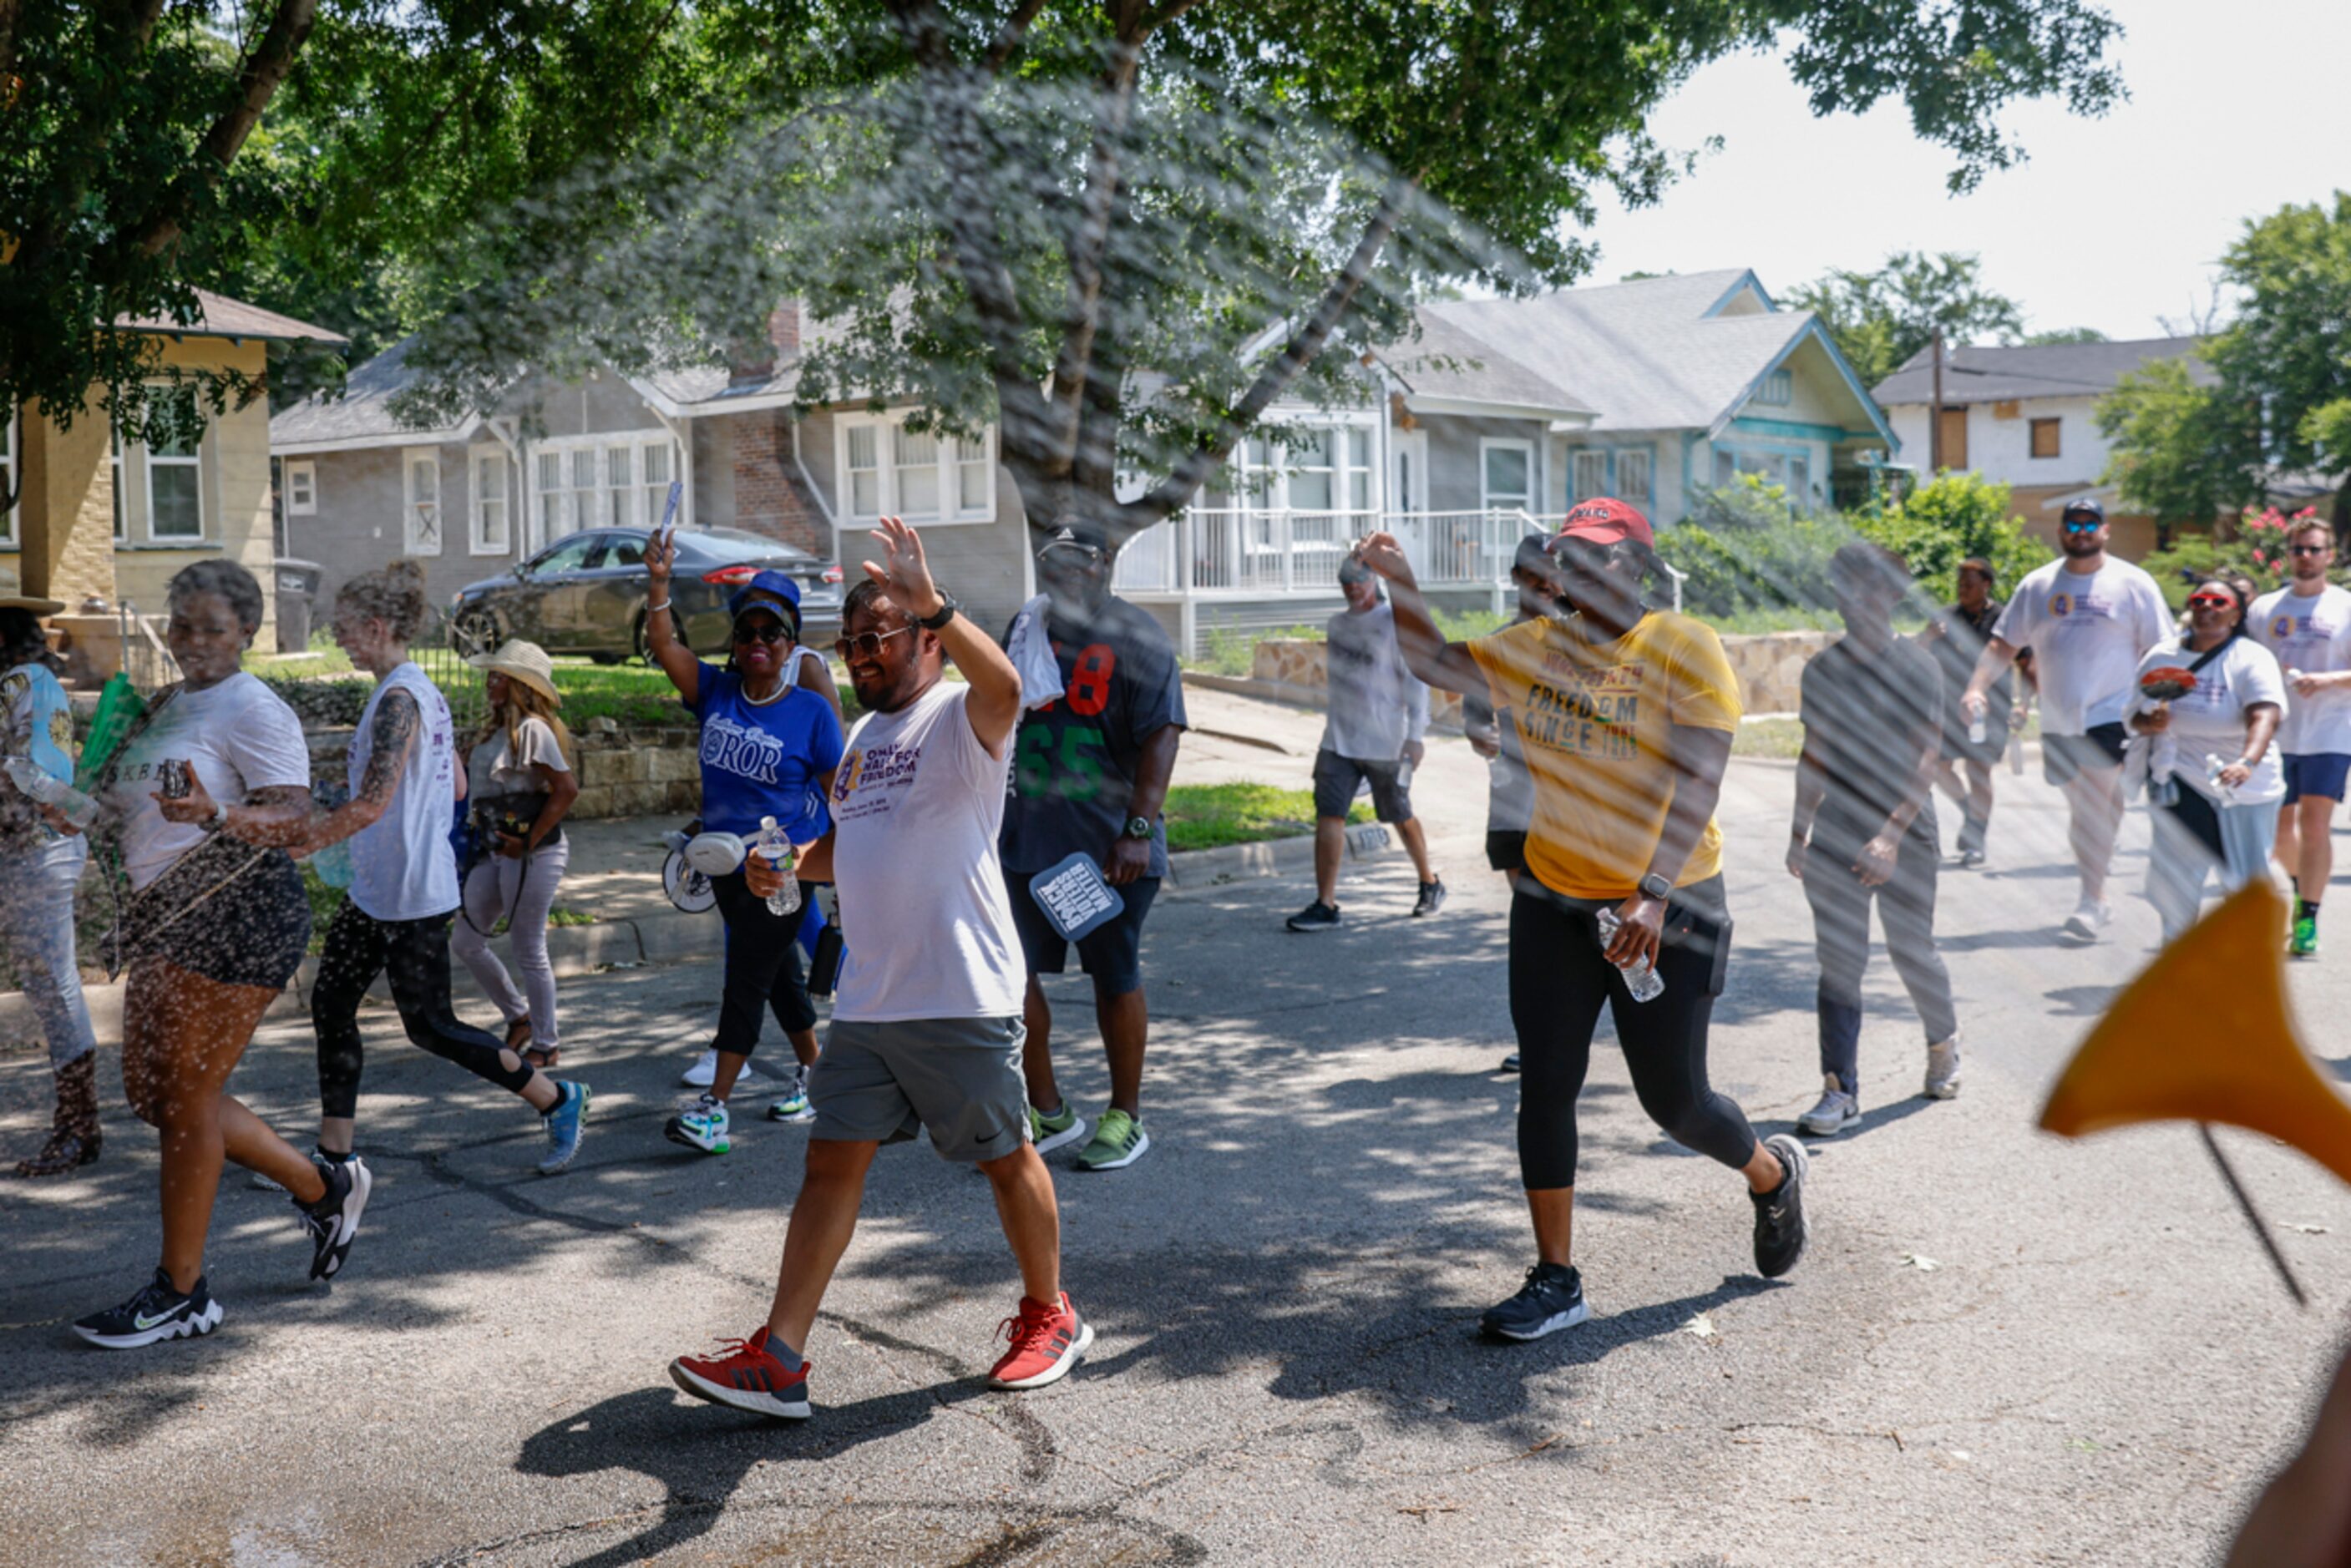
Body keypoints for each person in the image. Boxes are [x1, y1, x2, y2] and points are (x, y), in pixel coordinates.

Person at [1360, 498, 1810, 1343]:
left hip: (1669, 906)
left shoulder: (1683, 644)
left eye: (1599, 557)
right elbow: (1432, 662)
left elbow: (1701, 774)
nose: (1578, 572)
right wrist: (1402, 583)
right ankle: (1556, 1278)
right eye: (1569, 557)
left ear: (1634, 566)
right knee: (1546, 1082)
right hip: (1553, 904)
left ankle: (1769, 1171)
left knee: (1675, 1103)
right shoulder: (1532, 648)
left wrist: (1652, 887)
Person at [669, 517, 1091, 1418]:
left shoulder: (963, 715)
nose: (860, 652)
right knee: (828, 1167)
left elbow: (1010, 682)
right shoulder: (860, 737)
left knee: (1005, 1157)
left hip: (959, 993)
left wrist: (933, 595)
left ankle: (1050, 1313)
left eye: (879, 636)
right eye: (851, 640)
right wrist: (784, 862)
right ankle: (779, 1358)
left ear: (926, 640)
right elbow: (849, 843)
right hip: (869, 999)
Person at [71, 561, 364, 1348]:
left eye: (211, 627)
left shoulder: (253, 706)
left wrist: (216, 813)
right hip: (165, 919)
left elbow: (295, 820)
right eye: (182, 624)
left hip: (237, 915)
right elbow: (125, 809)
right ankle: (320, 1187)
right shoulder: (166, 704)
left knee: (189, 1103)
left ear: (244, 634)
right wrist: (72, 807)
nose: (192, 639)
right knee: (154, 1096)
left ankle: (182, 1292)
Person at [302, 561, 590, 1179]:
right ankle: (333, 1153)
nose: (339, 639)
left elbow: (374, 802)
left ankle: (558, 1098)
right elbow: (457, 783)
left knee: (431, 1026)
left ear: (376, 626)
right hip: (381, 887)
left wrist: (297, 839)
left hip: (408, 893)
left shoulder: (398, 699)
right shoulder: (414, 693)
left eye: (344, 629)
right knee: (332, 1005)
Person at [999, 520, 1186, 1171]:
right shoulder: (1024, 630)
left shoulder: (1137, 633)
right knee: (1010, 977)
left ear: (1105, 564)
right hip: (1025, 839)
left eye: (1082, 560)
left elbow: (1162, 733)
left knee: (1113, 976)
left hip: (1107, 845)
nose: (1068, 571)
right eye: (1055, 559)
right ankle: (1047, 1109)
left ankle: (1125, 1116)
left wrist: (1137, 830)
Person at [642, 553, 845, 1152]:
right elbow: (662, 643)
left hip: (781, 869)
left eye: (772, 633)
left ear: (791, 647)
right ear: (735, 642)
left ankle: (715, 1108)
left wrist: (812, 859)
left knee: (747, 976)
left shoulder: (810, 712)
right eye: (748, 632)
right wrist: (658, 583)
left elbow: (844, 802)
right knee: (778, 972)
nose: (759, 642)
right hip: (722, 863)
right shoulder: (715, 690)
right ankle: (817, 1073)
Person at [1787, 544, 1963, 1136]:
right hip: (1837, 828)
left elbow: (1927, 757)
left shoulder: (1917, 666)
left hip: (1905, 830)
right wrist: (1798, 830)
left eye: (1868, 588)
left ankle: (1942, 1044)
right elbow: (1813, 755)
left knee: (1911, 949)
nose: (1854, 601)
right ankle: (1839, 1090)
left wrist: (1888, 838)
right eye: (1844, 588)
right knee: (1839, 961)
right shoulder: (1823, 670)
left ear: (1891, 594)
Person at [1961, 498, 2171, 944]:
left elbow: (2160, 649)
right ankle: (2099, 880)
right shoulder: (2038, 586)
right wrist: (1976, 687)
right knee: (2090, 806)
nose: (2081, 530)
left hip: (2114, 712)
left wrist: (2160, 702)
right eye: (2072, 523)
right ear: (2060, 532)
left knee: (2093, 806)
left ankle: (2091, 900)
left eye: (2090, 523)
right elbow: (2004, 646)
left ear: (2105, 530)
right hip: (2057, 716)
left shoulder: (2132, 583)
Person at [0, 595, 102, 1176]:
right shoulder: (30, 679)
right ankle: (77, 1124)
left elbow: (31, 773)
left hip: (36, 851)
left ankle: (79, 1126)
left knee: (54, 985)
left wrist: (73, 810)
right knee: (47, 985)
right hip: (31, 850)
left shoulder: (23, 680)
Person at [1285, 554, 1442, 931]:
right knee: (1329, 814)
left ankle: (1430, 883)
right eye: (1346, 581)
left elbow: (1416, 682)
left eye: (1359, 580)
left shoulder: (1394, 623)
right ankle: (1326, 903)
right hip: (1338, 740)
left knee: (1399, 815)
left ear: (1374, 581)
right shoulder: (1337, 624)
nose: (1352, 587)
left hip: (1386, 742)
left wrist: (1415, 737)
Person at [2126, 575, 2285, 943]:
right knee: (2178, 880)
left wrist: (2246, 761)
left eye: (2218, 603)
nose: (2207, 609)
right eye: (2199, 601)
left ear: (2235, 615)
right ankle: (2176, 965)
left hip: (2244, 788)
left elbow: (2265, 715)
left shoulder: (2251, 658)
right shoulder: (2163, 657)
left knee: (2243, 883)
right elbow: (2132, 716)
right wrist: (2150, 722)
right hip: (2180, 779)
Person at [449, 640, 580, 1068]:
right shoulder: (493, 732)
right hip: (494, 850)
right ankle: (517, 1015)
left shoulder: (532, 731)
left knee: (529, 948)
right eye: (491, 674)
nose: (490, 682)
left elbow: (566, 790)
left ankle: (547, 1042)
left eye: (499, 676)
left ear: (521, 685)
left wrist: (529, 842)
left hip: (533, 854)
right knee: (467, 940)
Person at [2249, 517, 2351, 957]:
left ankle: (2308, 915)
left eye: (2314, 549)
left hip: (2330, 731)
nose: (2305, 557)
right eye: (2298, 550)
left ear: (2330, 555)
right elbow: (2247, 665)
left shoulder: (2345, 607)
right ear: (2286, 555)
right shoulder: (2264, 610)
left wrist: (2327, 680)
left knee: (2314, 824)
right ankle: (2298, 885)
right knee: (2277, 834)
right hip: (2277, 733)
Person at [1468, 537, 1549, 1076]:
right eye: (1536, 576)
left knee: (1584, 928)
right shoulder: (1497, 646)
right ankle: (1542, 1042)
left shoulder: (1585, 643)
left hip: (1577, 814)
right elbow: (1473, 715)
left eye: (1555, 577)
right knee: (1535, 932)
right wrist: (1481, 734)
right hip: (1515, 808)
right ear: (1517, 576)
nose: (1546, 586)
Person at [1920, 558, 2031, 868]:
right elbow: (1915, 655)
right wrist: (1928, 637)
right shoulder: (1944, 618)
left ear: (1986, 585)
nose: (1963, 590)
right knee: (1938, 768)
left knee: (1978, 772)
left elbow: (2027, 666)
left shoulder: (2004, 620)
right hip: (1947, 707)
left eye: (1969, 584)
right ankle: (1971, 812)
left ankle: (1976, 838)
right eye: (1959, 584)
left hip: (1990, 710)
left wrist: (2024, 704)